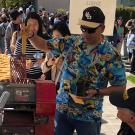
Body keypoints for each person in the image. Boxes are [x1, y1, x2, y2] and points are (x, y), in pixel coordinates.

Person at [27, 6, 126, 135]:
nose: (85, 33)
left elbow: (121, 87)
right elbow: (45, 45)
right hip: (63, 110)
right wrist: (31, 36)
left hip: (88, 115)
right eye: (83, 28)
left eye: (90, 30)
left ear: (102, 28)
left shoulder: (111, 54)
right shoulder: (72, 42)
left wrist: (97, 91)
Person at [14, 12, 44, 79]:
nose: (32, 28)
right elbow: (15, 58)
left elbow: (52, 58)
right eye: (29, 24)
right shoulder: (21, 41)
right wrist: (23, 63)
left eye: (35, 24)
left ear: (39, 25)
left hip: (42, 77)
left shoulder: (45, 40)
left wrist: (44, 61)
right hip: (24, 76)